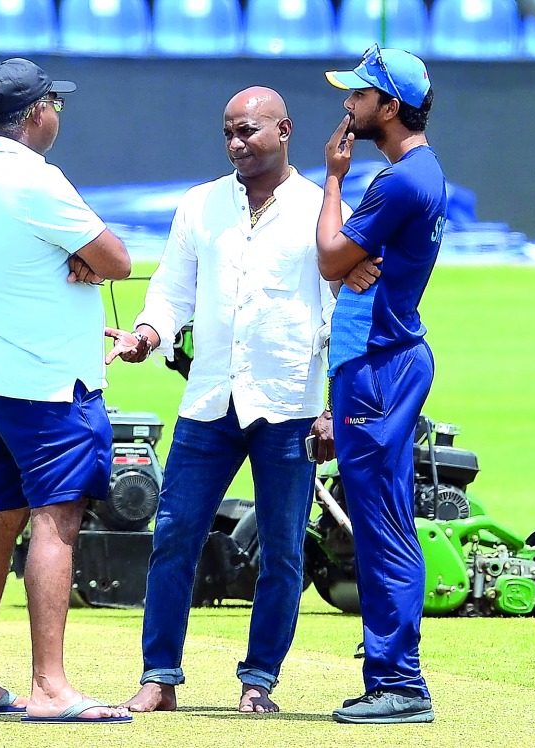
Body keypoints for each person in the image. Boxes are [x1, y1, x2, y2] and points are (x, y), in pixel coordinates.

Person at [115, 87, 355, 715]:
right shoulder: (200, 205)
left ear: (285, 130)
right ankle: (159, 675)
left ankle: (260, 681)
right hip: (210, 399)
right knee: (173, 536)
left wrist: (332, 406)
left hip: (290, 404)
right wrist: (147, 335)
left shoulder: (319, 209)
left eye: (248, 131)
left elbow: (339, 315)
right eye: (228, 132)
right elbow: (170, 292)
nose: (236, 144)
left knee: (281, 549)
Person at [0, 57, 135, 724]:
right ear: (37, 113)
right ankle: (50, 686)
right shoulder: (34, 178)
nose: (59, 114)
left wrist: (68, 259)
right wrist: (79, 258)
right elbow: (117, 260)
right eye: (57, 103)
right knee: (58, 521)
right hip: (54, 381)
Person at [317, 44, 446, 725]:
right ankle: (392, 679)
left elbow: (330, 255)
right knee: (378, 522)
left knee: (384, 527)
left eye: (360, 95)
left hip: (381, 363)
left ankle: (399, 684)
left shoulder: (397, 182)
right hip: (383, 359)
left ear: (389, 107)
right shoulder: (414, 174)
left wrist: (334, 181)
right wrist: (347, 264)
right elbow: (344, 265)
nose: (348, 104)